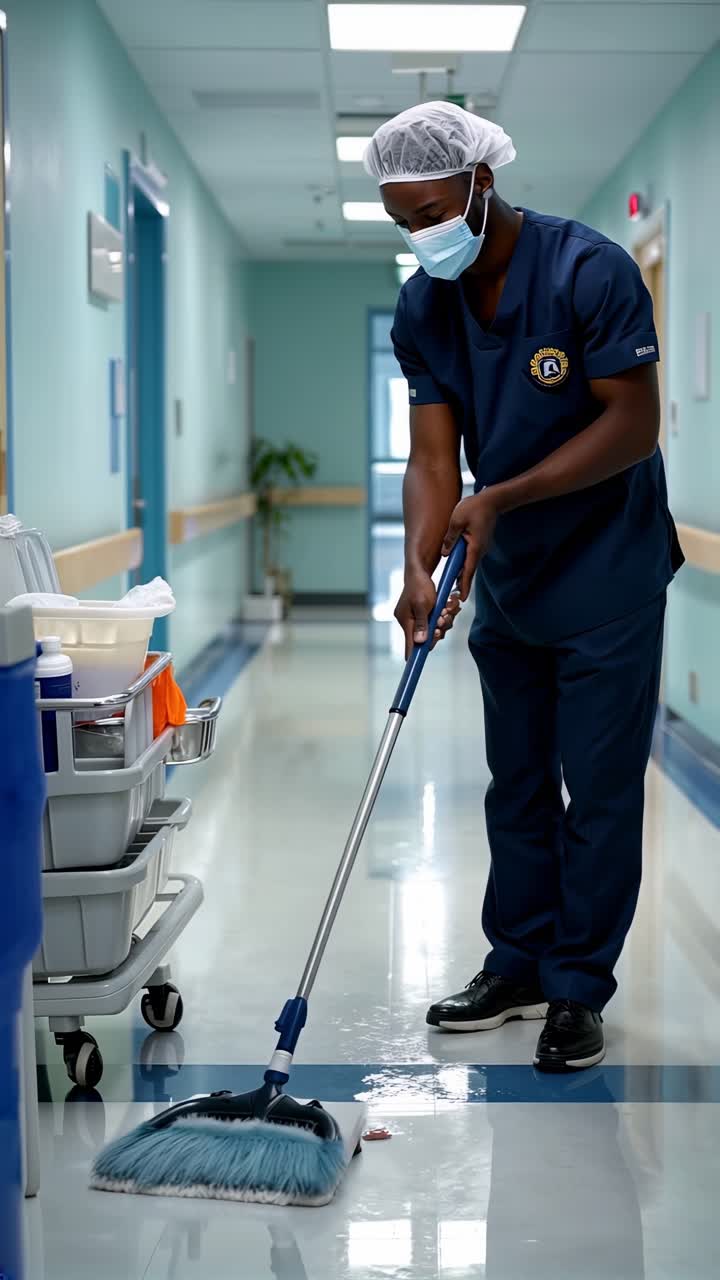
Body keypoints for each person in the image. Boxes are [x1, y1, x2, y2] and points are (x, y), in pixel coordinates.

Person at [364, 102, 683, 1072]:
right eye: (402, 220)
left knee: (599, 788)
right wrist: (420, 562)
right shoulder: (427, 306)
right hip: (509, 578)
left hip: (607, 572)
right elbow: (431, 454)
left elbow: (633, 422)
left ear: (480, 184)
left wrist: (501, 495)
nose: (422, 234)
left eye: (430, 210)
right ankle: (520, 960)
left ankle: (579, 983)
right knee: (516, 780)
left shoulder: (590, 269)